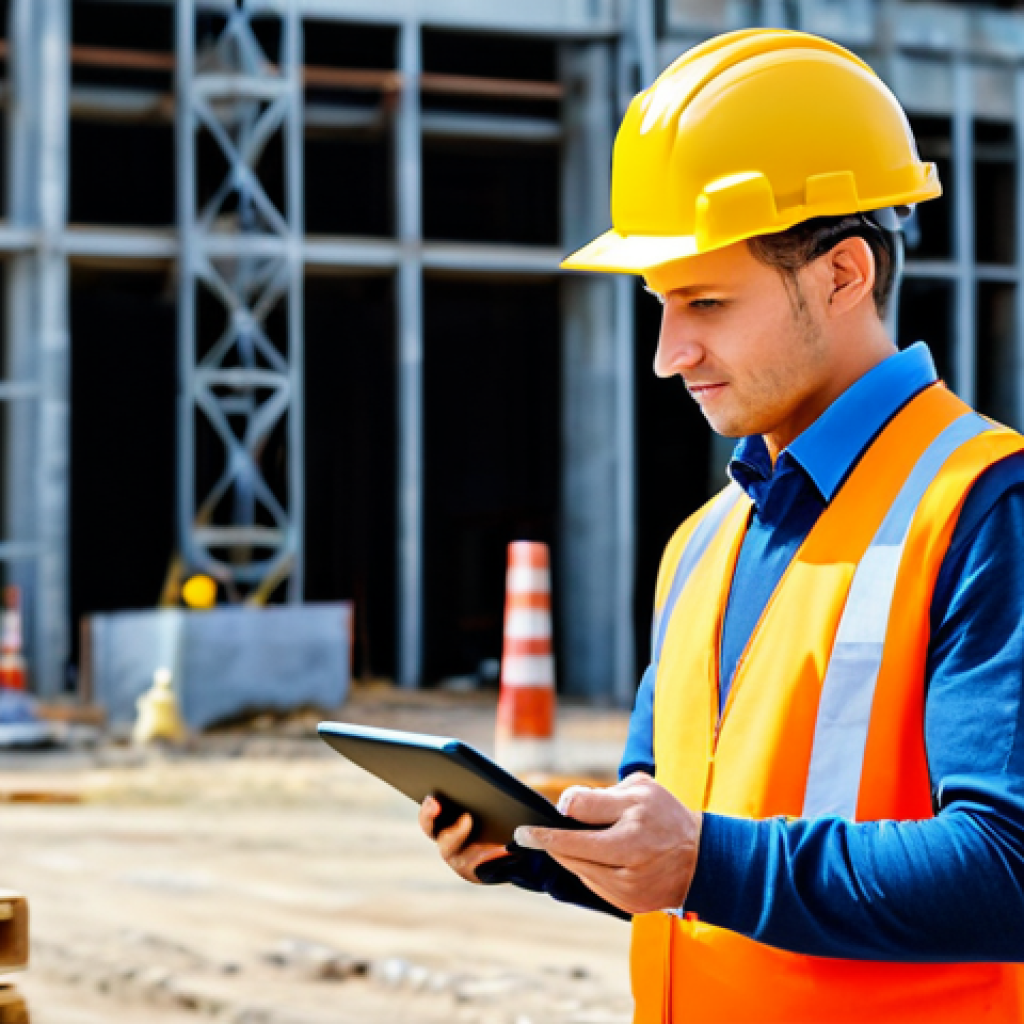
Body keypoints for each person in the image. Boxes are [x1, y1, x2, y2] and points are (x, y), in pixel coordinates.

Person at [420, 27, 1024, 1022]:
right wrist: (541, 849)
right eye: (660, 303)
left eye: (703, 301)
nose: (668, 353)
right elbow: (686, 871)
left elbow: (1006, 868)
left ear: (842, 276)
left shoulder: (983, 506)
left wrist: (702, 859)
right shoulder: (703, 541)